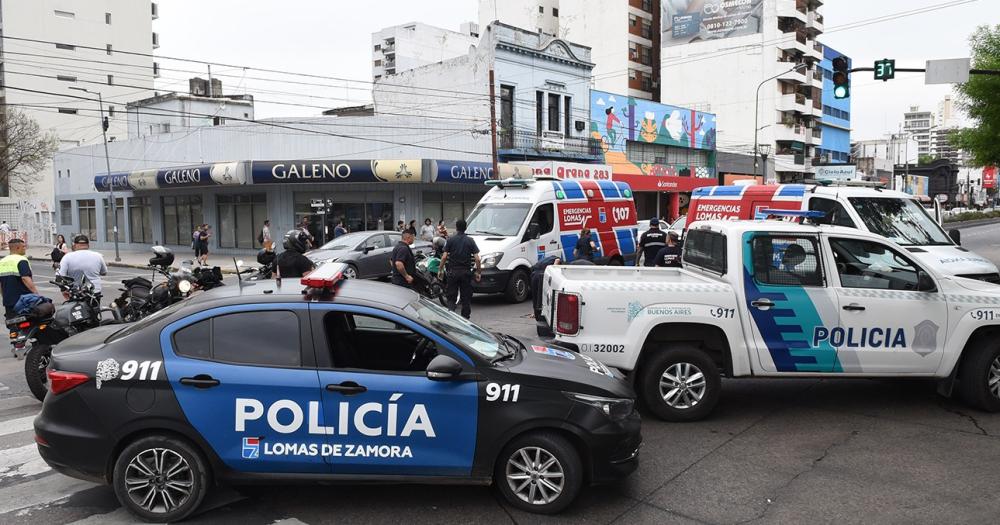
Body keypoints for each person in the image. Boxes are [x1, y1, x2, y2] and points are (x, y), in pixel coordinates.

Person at [439, 219, 481, 319]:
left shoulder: (450, 240)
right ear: (466, 228)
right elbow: (477, 259)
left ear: (456, 228)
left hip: (453, 272)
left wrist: (440, 270)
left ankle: (451, 318)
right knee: (466, 297)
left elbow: (444, 257)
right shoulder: (470, 240)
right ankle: (465, 320)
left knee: (451, 297)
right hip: (466, 272)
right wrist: (478, 272)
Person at [0, 239, 39, 318]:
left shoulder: (2, 261)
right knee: (30, 324)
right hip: (24, 300)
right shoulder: (21, 260)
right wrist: (36, 293)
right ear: (17, 248)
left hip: (8, 301)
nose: (25, 248)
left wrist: (4, 296)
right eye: (23, 247)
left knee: (13, 324)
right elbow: (25, 278)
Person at [530, 255, 560, 319]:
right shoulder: (558, 259)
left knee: (535, 295)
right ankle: (541, 314)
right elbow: (556, 263)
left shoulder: (546, 259)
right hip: (542, 274)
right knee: (541, 295)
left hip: (534, 273)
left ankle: (536, 314)